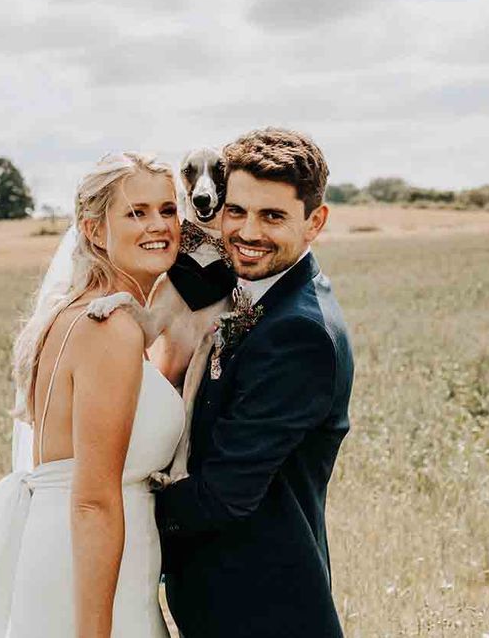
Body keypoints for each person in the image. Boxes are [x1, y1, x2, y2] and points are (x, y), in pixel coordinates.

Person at [0, 152, 185, 638]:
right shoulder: (109, 328)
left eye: (167, 210)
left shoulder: (76, 314)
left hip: (75, 551)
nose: (158, 225)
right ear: (93, 230)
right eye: (137, 212)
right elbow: (92, 500)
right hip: (91, 568)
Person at [156, 128, 354, 638]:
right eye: (236, 210)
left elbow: (225, 494)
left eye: (273, 216)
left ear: (315, 222)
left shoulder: (299, 332)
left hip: (263, 610)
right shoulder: (255, 295)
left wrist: (113, 511)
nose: (247, 231)